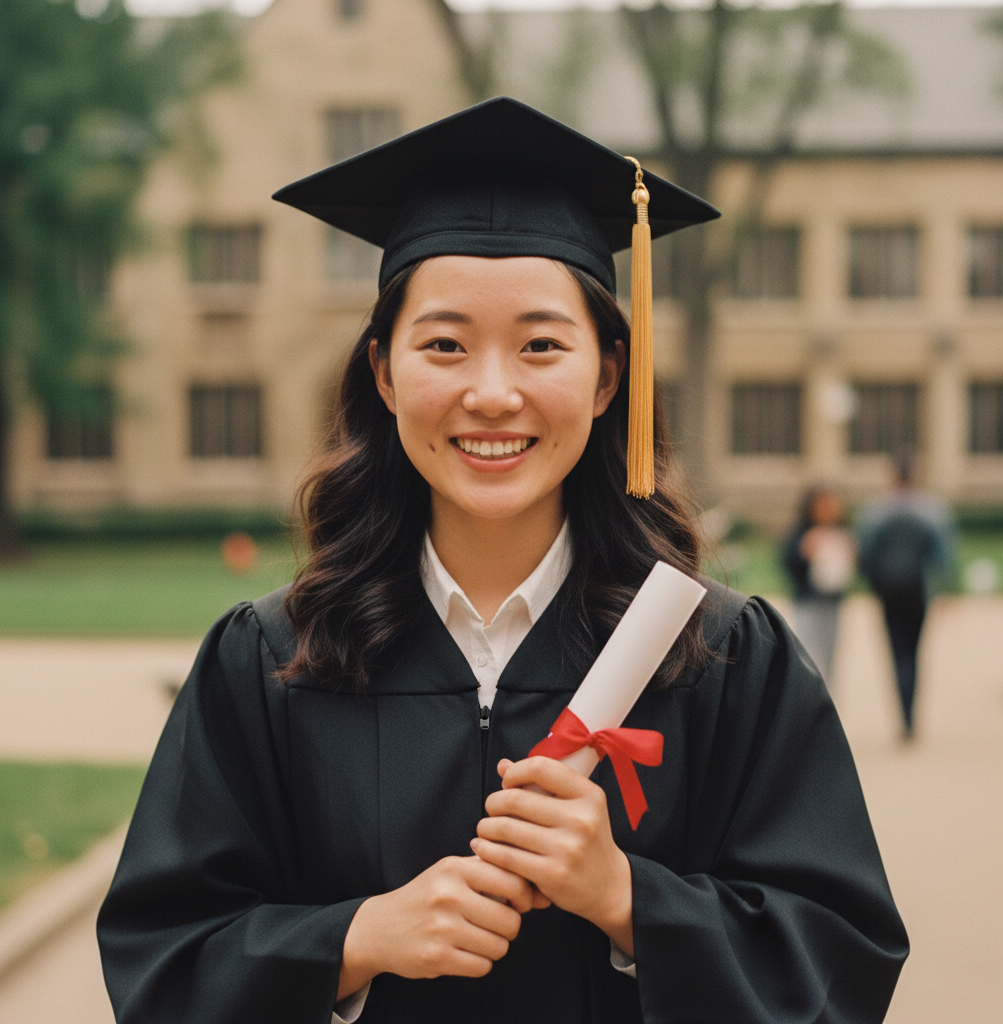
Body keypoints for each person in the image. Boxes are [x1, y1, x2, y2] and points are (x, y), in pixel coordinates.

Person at [97, 98, 908, 1024]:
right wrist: (354, 943)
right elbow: (160, 964)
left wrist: (631, 903)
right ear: (384, 372)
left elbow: (843, 961)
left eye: (541, 345)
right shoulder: (273, 659)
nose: (492, 392)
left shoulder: (721, 658)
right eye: (443, 344)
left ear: (608, 377)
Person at [859, 458, 955, 740]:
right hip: (918, 591)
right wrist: (945, 590)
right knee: (914, 653)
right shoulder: (932, 510)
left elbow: (866, 556)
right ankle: (911, 716)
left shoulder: (877, 511)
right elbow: (942, 556)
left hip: (889, 593)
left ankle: (902, 714)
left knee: (895, 650)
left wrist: (874, 586)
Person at [781, 486, 857, 690]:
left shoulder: (842, 532)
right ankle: (809, 696)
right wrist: (803, 552)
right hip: (808, 601)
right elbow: (787, 562)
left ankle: (826, 699)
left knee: (831, 655)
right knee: (809, 653)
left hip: (833, 601)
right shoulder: (801, 532)